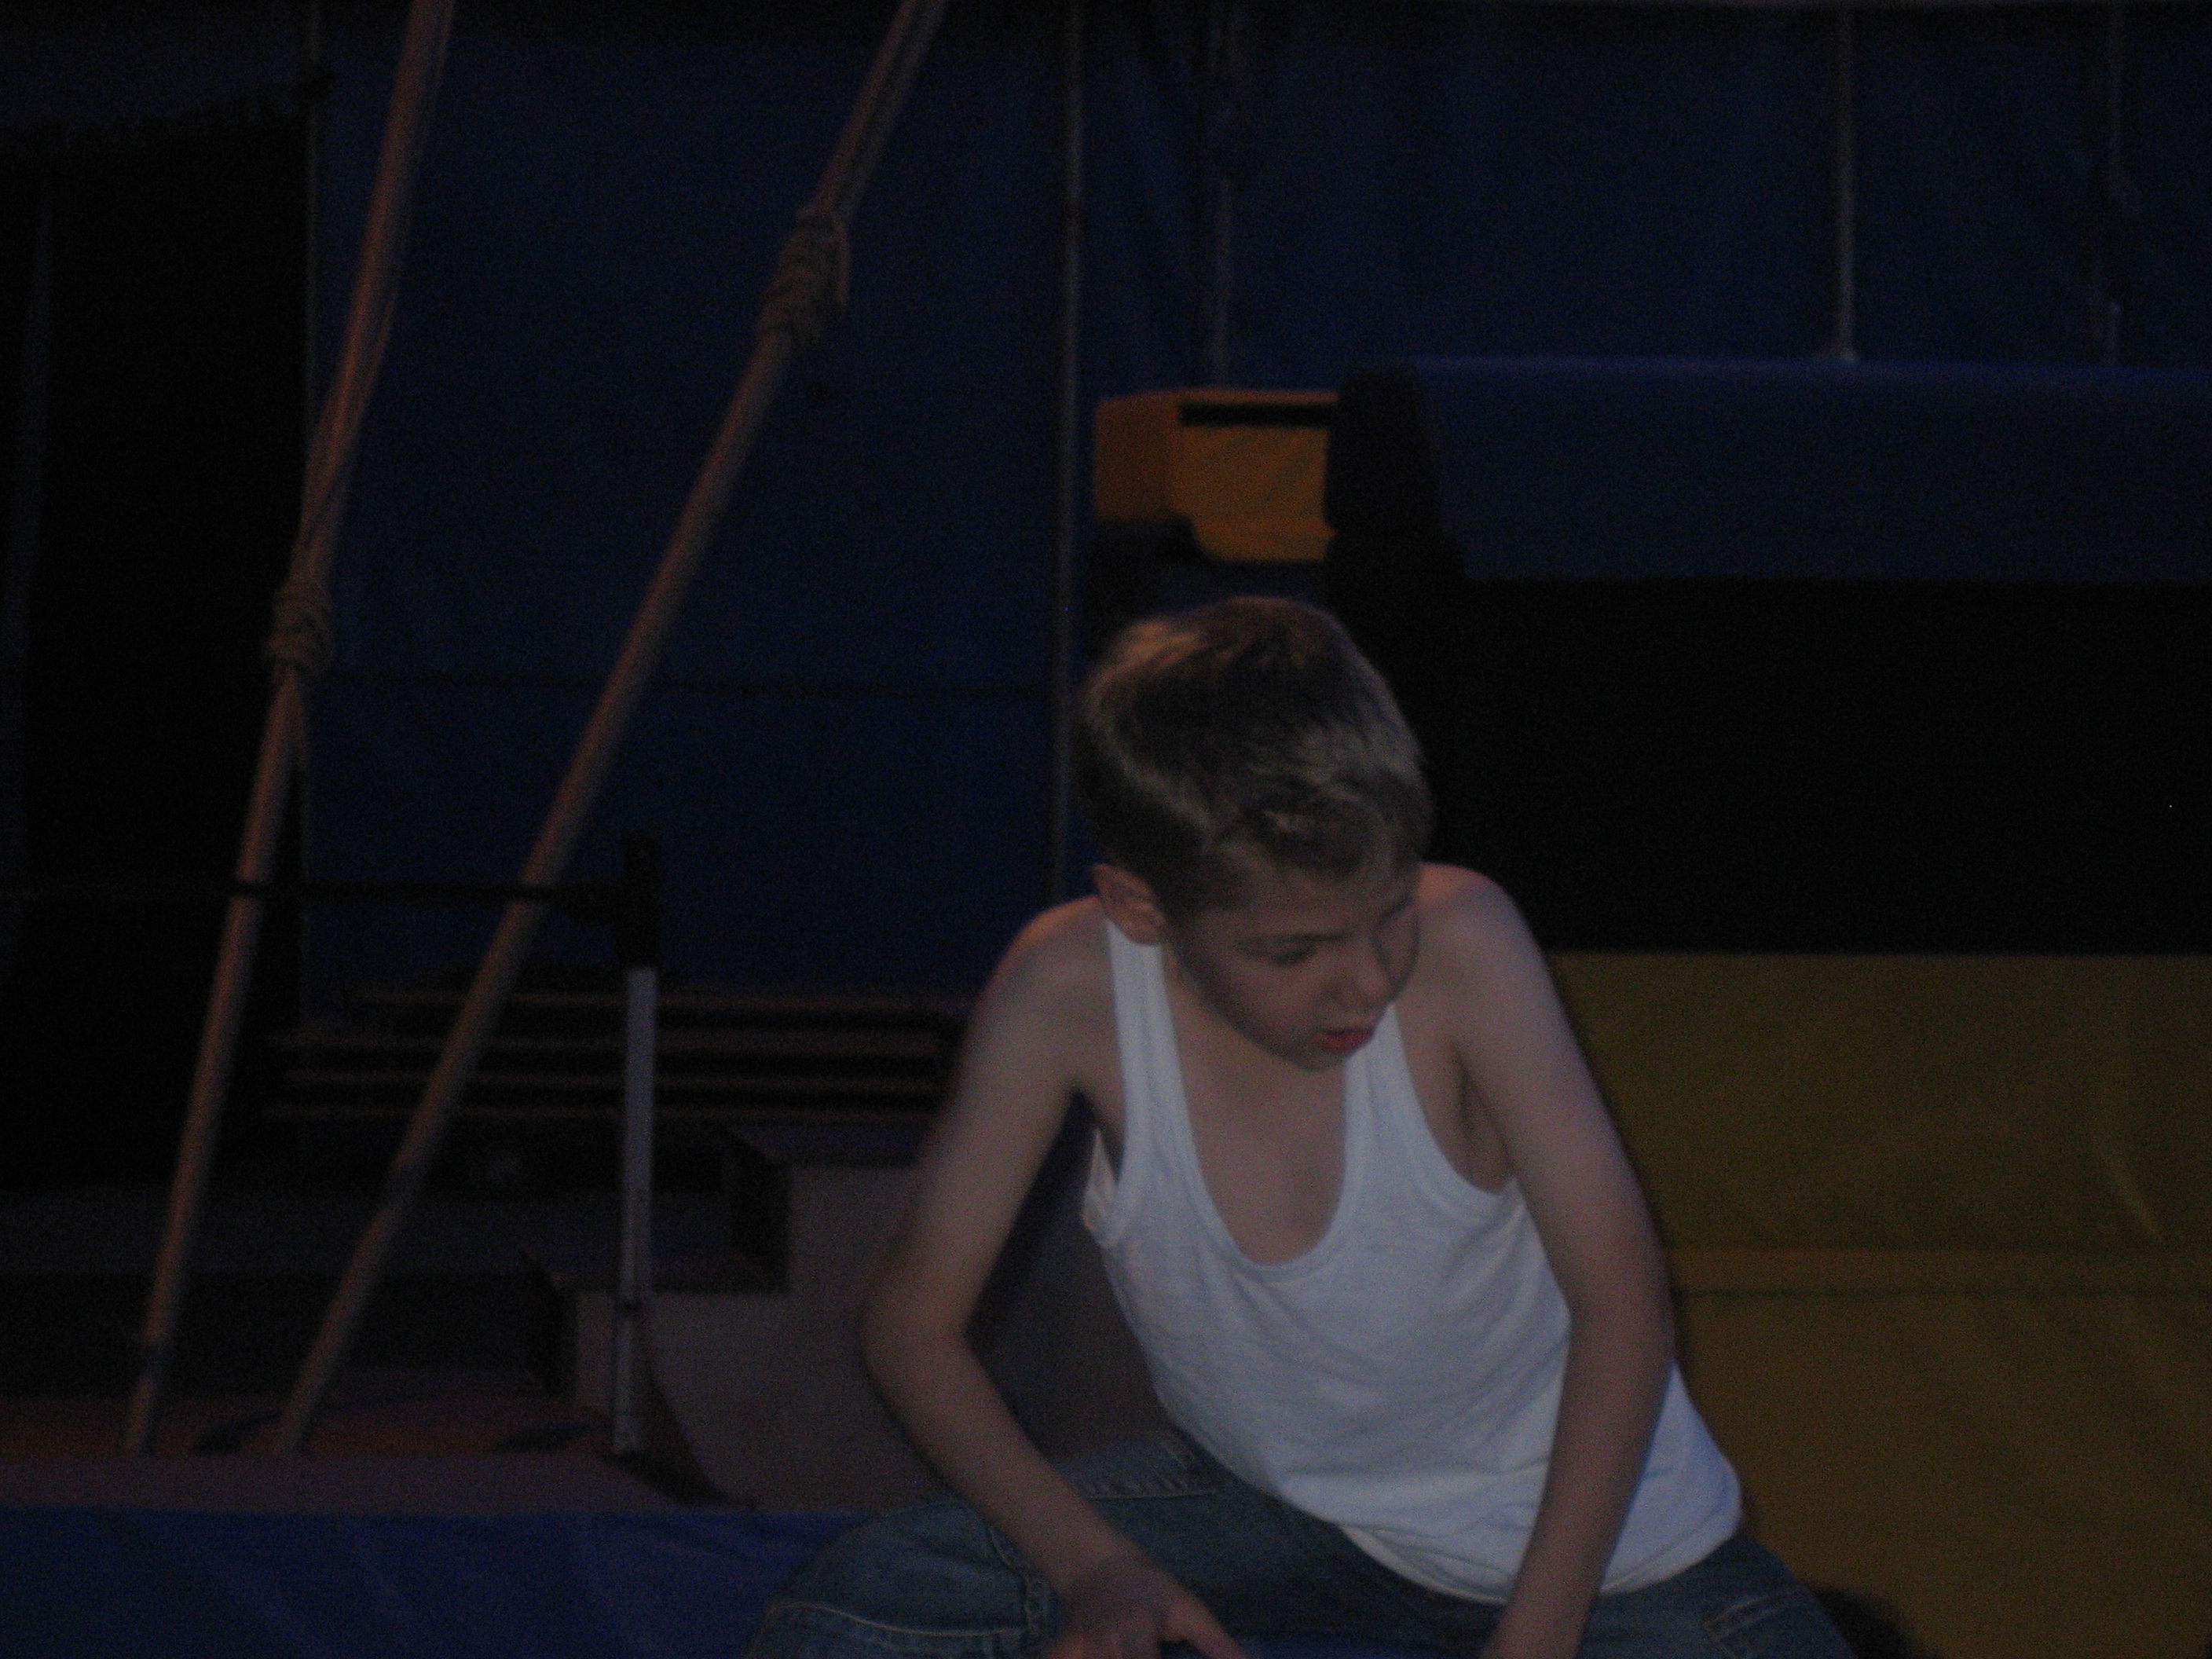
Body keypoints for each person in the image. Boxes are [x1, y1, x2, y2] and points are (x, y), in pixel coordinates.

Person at [749, 598, 1850, 1659]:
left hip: (1592, 1546)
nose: (1366, 980)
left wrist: (1536, 1637)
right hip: (1276, 1510)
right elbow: (910, 1327)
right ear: (1141, 908)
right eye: (1294, 953)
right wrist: (1097, 1567)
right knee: (857, 1608)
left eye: (1389, 911)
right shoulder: (1065, 990)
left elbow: (1624, 1306)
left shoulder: (1468, 946)